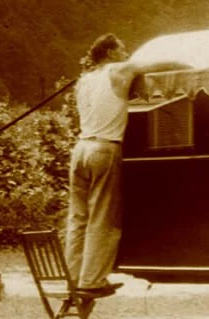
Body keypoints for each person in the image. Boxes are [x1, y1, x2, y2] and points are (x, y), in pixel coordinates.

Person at [66, 33, 189, 297]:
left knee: (78, 218)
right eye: (122, 48)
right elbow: (158, 64)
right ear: (110, 53)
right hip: (105, 148)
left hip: (80, 148)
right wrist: (188, 63)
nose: (126, 53)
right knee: (102, 217)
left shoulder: (84, 80)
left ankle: (72, 277)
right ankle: (92, 281)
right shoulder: (119, 71)